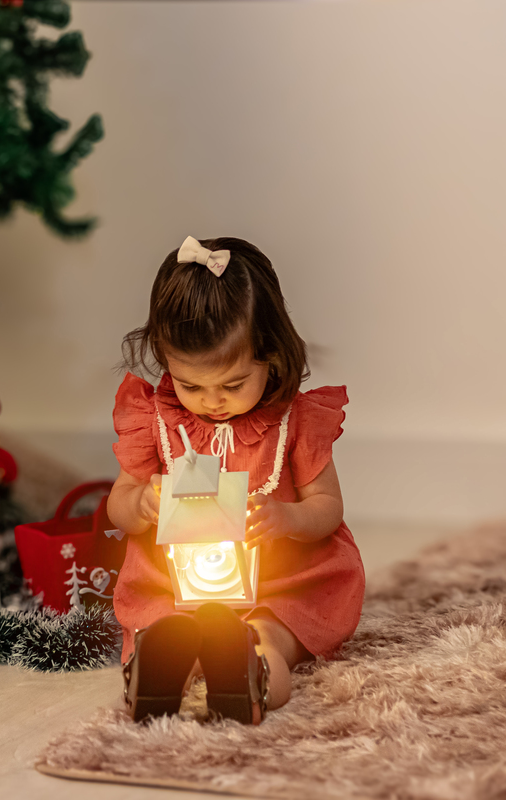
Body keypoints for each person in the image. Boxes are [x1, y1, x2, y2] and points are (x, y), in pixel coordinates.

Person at [107, 236, 364, 724]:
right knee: (170, 624)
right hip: (177, 582)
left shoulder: (295, 421)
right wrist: (142, 503)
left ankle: (253, 669)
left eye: (232, 384)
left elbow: (328, 507)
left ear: (271, 355)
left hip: (279, 582)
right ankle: (158, 670)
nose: (211, 401)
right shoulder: (155, 419)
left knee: (270, 629)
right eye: (190, 385)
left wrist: (285, 516)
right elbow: (118, 505)